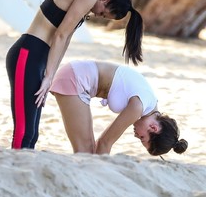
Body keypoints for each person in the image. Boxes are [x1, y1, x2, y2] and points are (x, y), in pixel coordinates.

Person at [6, 0, 143, 149]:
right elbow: (60, 35)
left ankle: (23, 169)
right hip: (27, 54)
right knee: (24, 130)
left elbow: (66, 39)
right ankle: (18, 169)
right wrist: (48, 76)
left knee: (32, 132)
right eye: (102, 14)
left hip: (38, 60)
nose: (97, 15)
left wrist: (51, 74)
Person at [50, 60, 188, 156]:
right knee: (85, 152)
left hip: (78, 76)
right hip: (75, 78)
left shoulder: (149, 102)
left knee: (88, 152)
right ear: (153, 128)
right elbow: (105, 143)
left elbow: (102, 144)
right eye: (141, 137)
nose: (136, 135)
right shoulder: (138, 106)